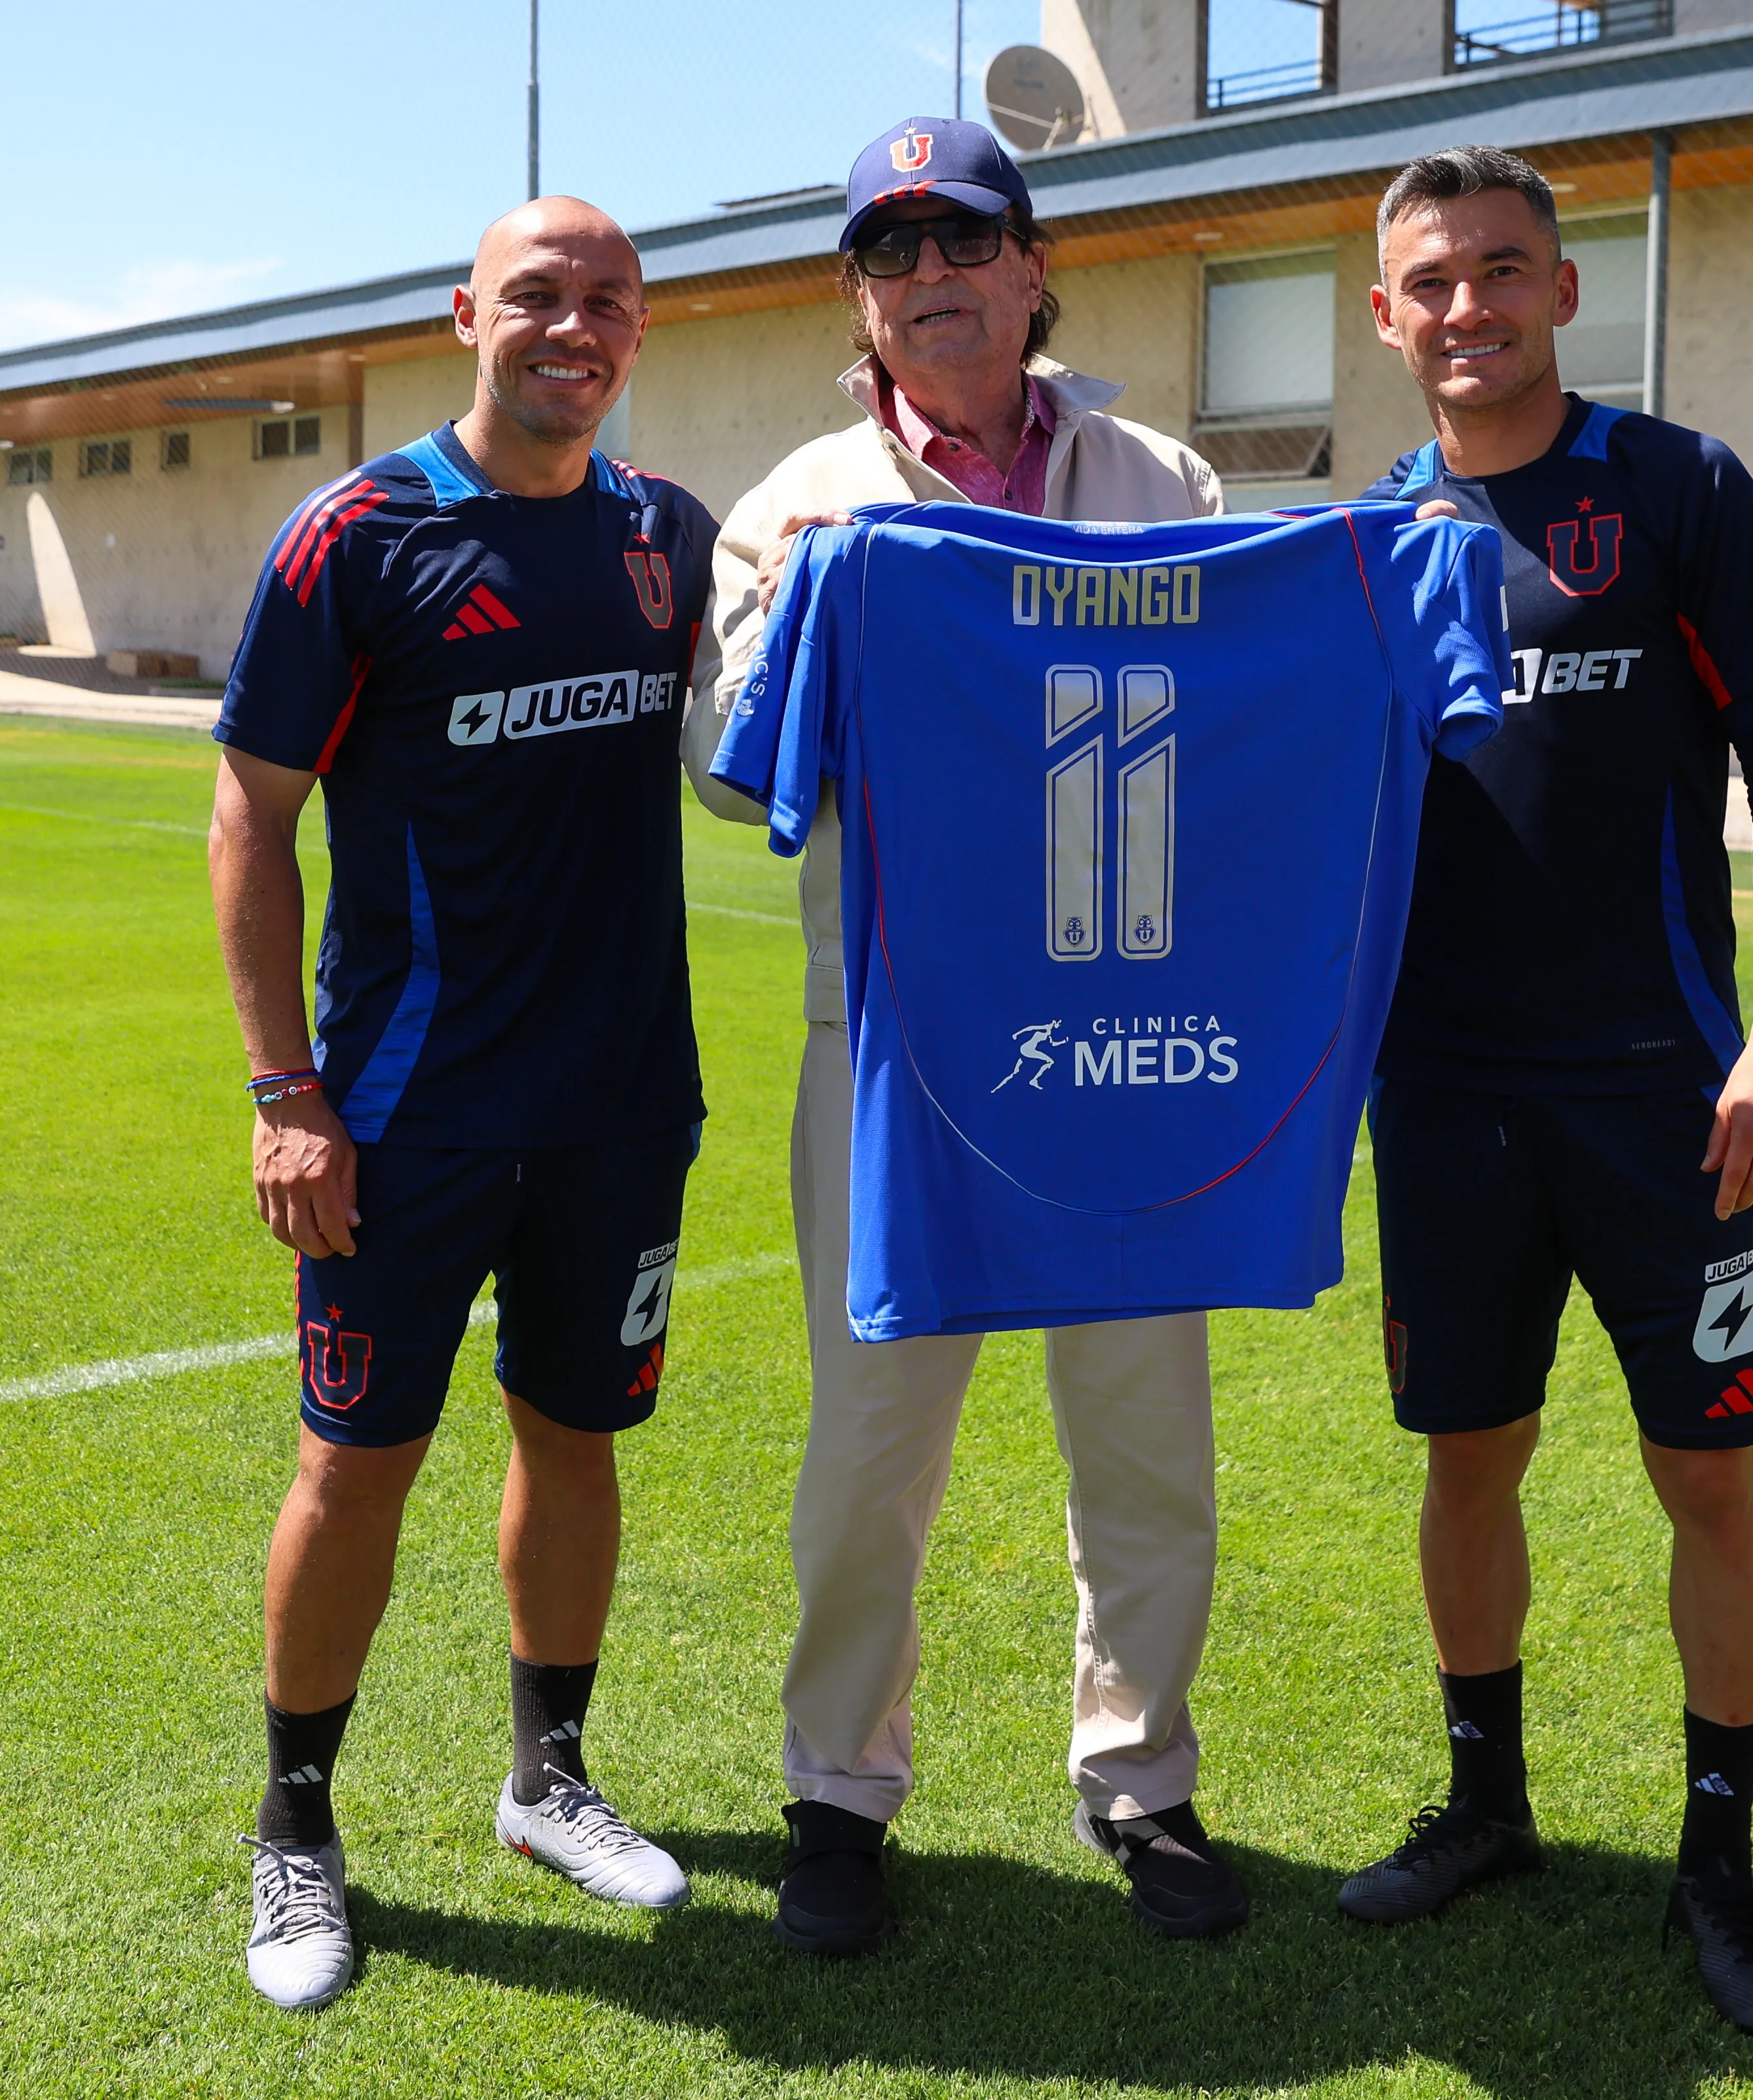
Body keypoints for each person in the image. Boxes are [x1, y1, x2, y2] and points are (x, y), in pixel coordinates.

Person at [684, 117, 1245, 1957]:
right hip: (899, 1050)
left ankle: (1141, 1779)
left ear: (1027, 263)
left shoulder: (1161, 472)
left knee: (1146, 1436)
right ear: (861, 292)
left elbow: (1247, 705)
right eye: (891, 250)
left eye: (964, 239)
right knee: (867, 1451)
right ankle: (839, 1786)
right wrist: (820, 611)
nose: (931, 275)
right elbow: (720, 768)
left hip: (1123, 1028)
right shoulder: (797, 502)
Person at [1335, 145, 1753, 2038]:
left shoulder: (1677, 488)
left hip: (1666, 1091)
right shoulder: (1366, 539)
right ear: (1388, 317)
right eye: (1430, 282)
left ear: (1559, 291)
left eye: (1499, 270)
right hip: (1444, 1093)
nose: (1466, 305)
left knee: (1706, 1465)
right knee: (1471, 1456)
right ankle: (1488, 1804)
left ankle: (1721, 1859)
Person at [208, 196, 717, 2012]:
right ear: (467, 317)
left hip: (622, 1105)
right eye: (535, 298)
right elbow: (253, 816)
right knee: (355, 1468)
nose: (570, 327)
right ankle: (294, 1825)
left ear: (639, 330)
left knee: (574, 1436)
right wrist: (287, 1090)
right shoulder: (357, 534)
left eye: (605, 301)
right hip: (405, 1117)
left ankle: (547, 1773)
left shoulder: (670, 538)